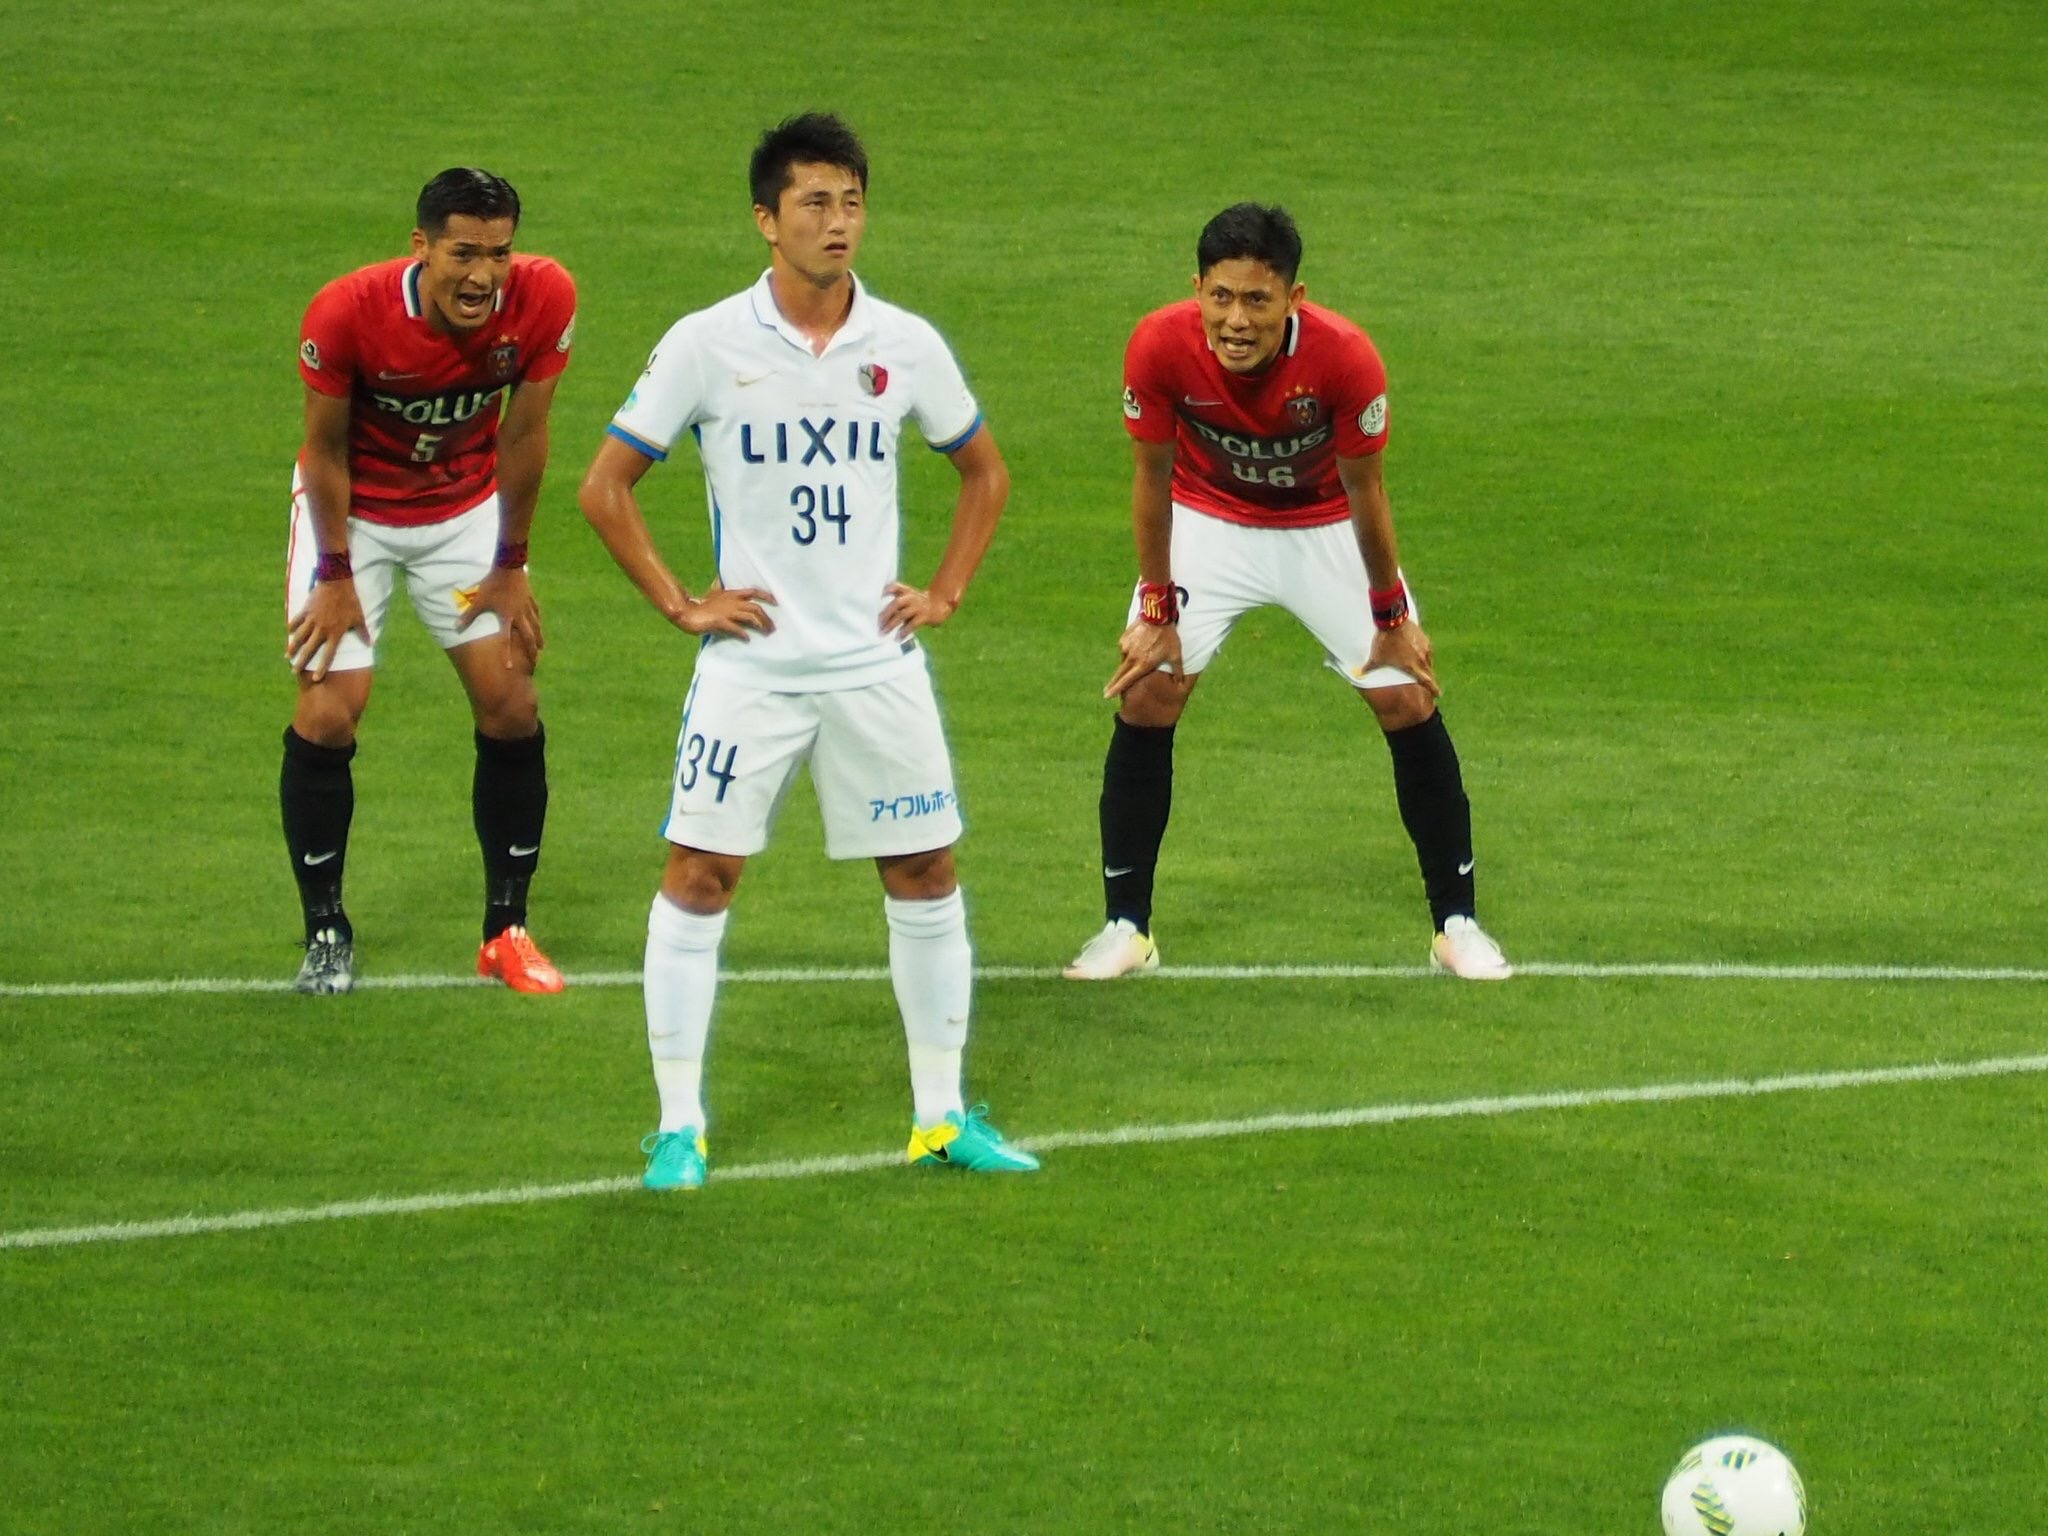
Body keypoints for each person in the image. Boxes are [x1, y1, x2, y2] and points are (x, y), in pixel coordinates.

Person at [578, 112, 1038, 1189]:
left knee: (925, 871)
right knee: (700, 875)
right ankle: (678, 1128)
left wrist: (946, 590)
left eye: (852, 202)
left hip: (877, 668)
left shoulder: (904, 343)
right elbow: (604, 487)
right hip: (752, 673)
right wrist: (682, 604)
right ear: (765, 219)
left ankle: (939, 1117)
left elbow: (984, 470)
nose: (838, 223)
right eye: (815, 203)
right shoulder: (706, 343)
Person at [1064, 203, 1511, 983]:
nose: (1236, 321)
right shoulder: (1159, 345)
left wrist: (1391, 615)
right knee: (1147, 692)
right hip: (1210, 520)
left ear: (1293, 299)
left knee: (1406, 696)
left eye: (1257, 300)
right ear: (1197, 289)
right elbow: (1151, 477)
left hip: (1322, 523)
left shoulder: (1345, 360)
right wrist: (1158, 607)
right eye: (1221, 297)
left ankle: (1456, 924)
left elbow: (1366, 491)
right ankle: (1126, 929)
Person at [281, 168, 575, 996]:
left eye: (499, 253)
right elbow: (324, 451)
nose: (483, 276)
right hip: (356, 517)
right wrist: (336, 573)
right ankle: (327, 931)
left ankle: (506, 933)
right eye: (464, 254)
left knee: (512, 703)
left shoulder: (545, 298)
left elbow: (525, 435)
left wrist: (509, 563)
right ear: (422, 247)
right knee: (329, 711)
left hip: (462, 513)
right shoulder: (346, 312)